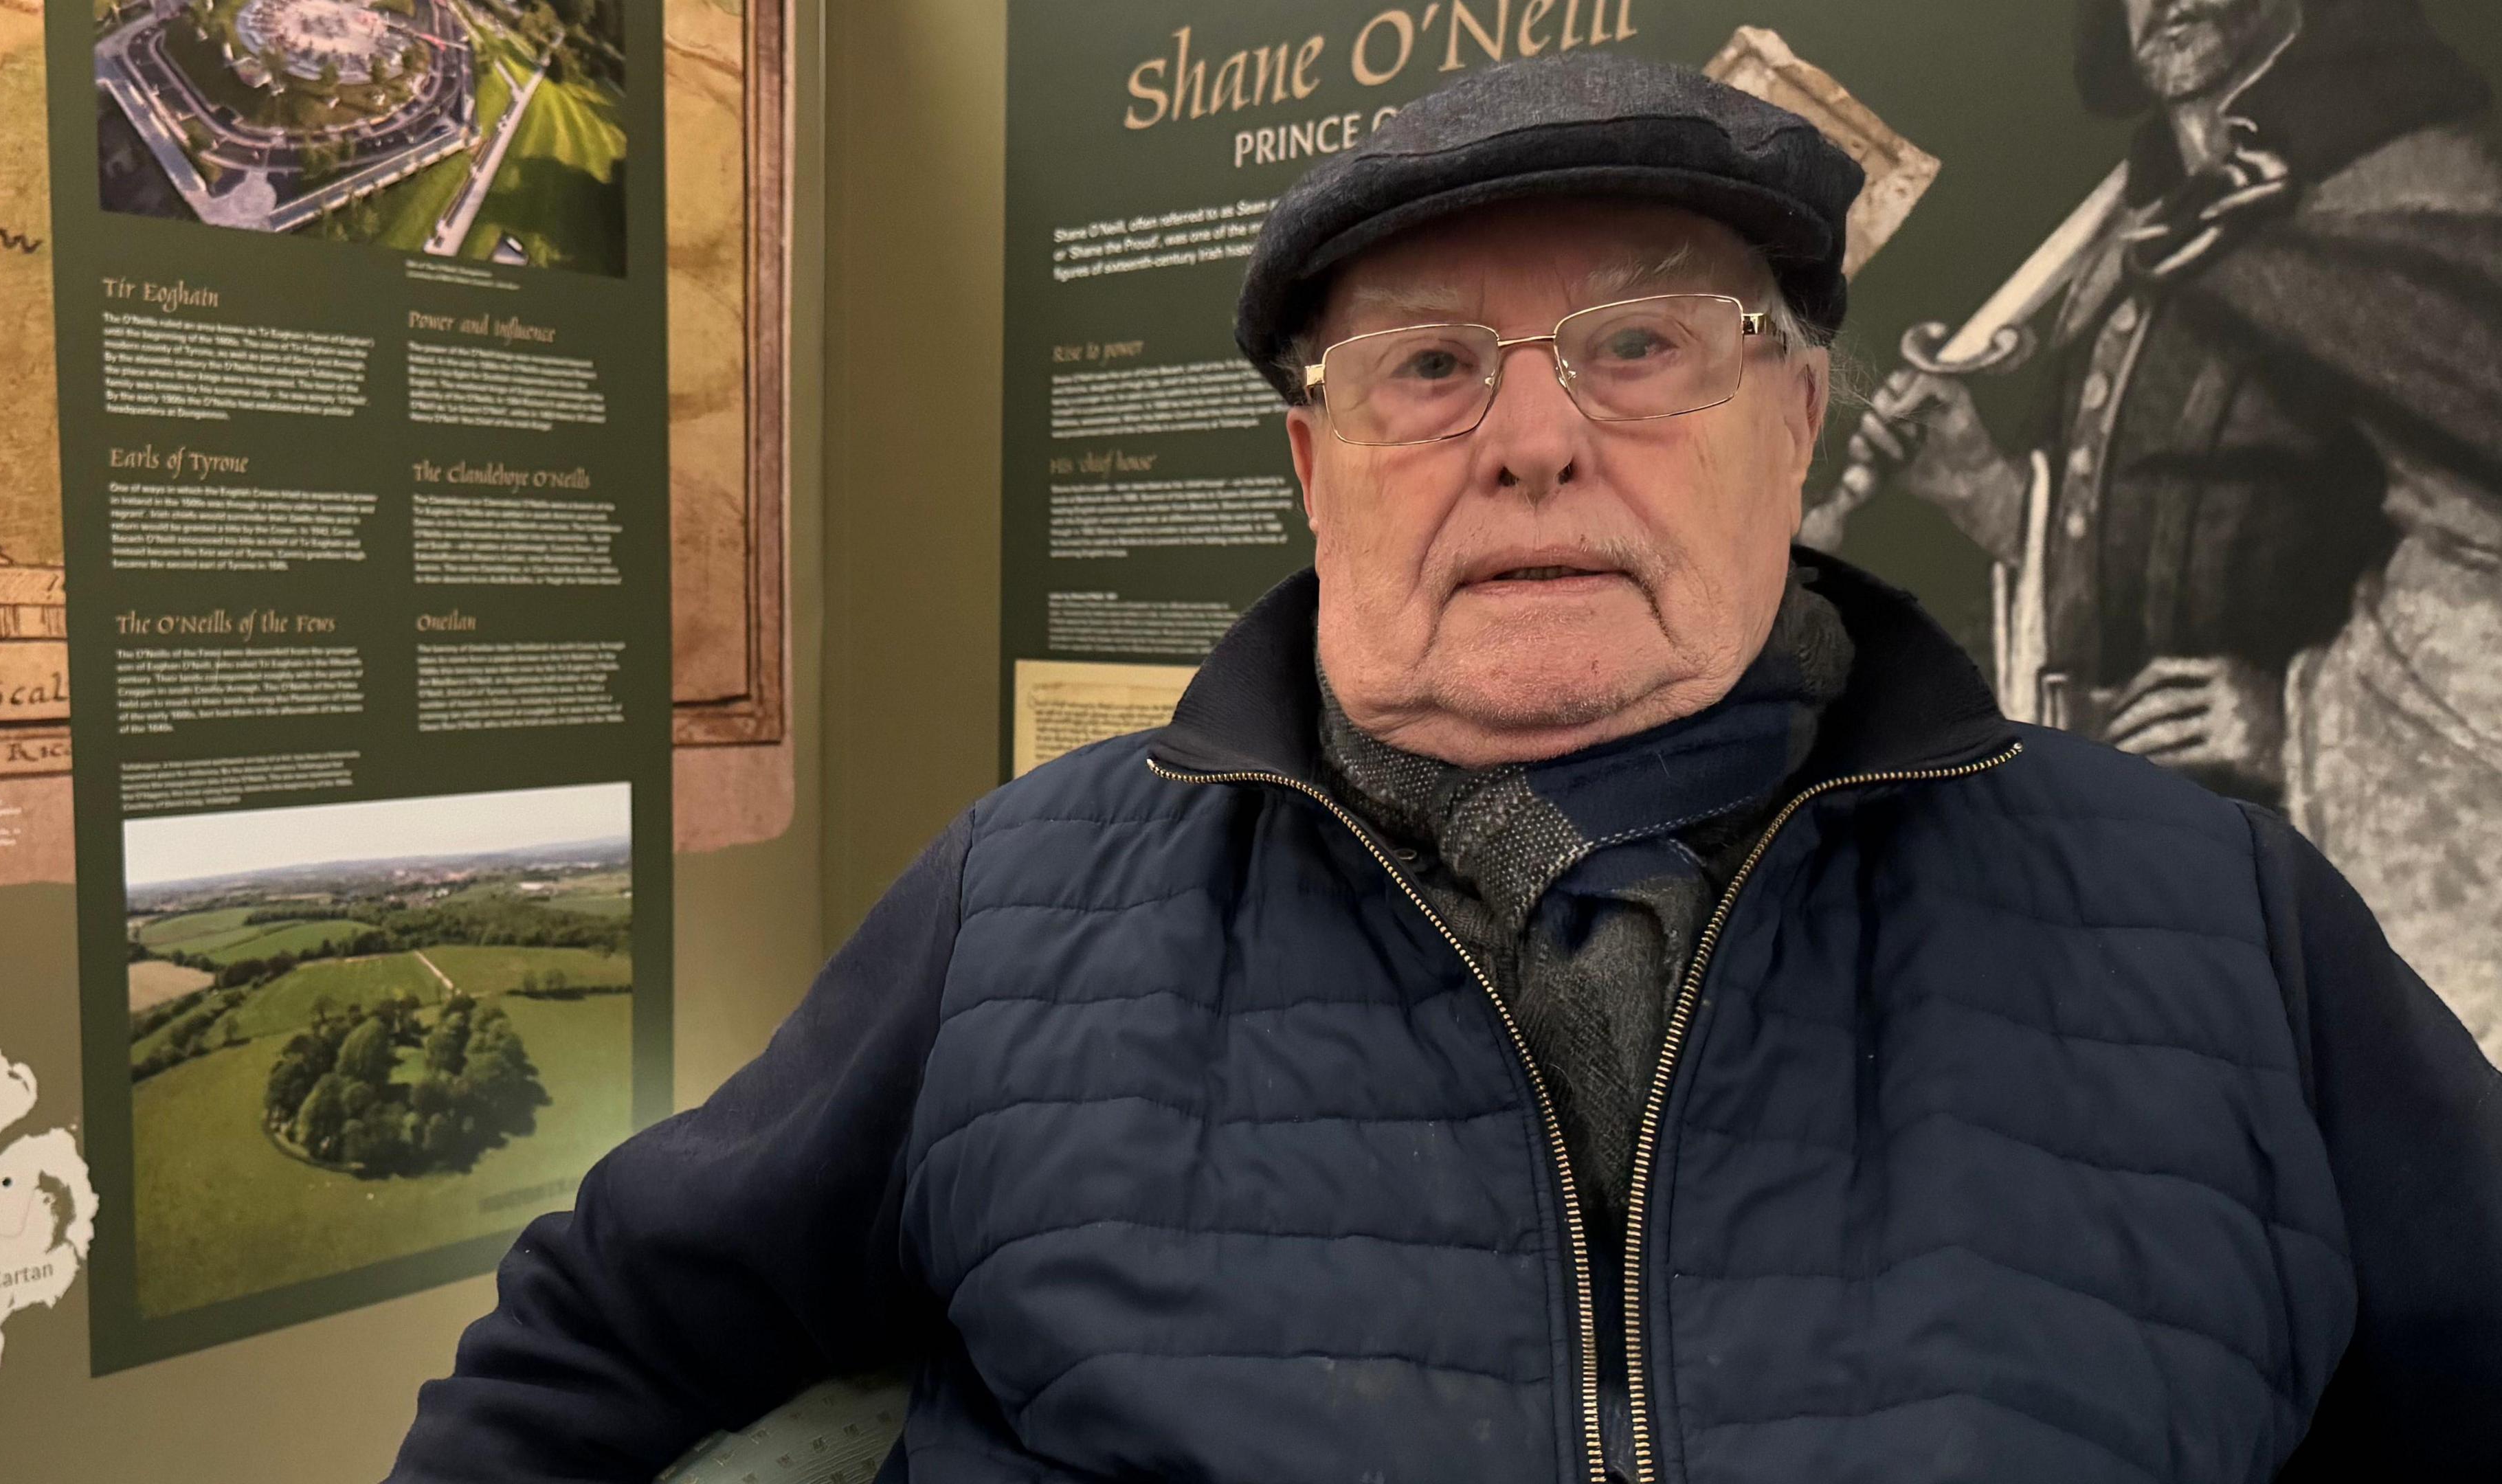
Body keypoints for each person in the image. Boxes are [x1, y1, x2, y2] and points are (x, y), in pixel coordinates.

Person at [388, 54, 2502, 1484]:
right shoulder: (1016, 900)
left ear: (1796, 424)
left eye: (1641, 344)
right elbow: (590, 1353)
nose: (1534, 441)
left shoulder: (2225, 924)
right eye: (1428, 366)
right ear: (1316, 471)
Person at [1848, 0, 2502, 1061]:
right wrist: (1987, 494)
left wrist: (2294, 720)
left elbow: (2484, 547)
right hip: (2129, 878)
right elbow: (2165, 509)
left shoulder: (2419, 193)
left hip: (2308, 890)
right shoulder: (2144, 225)